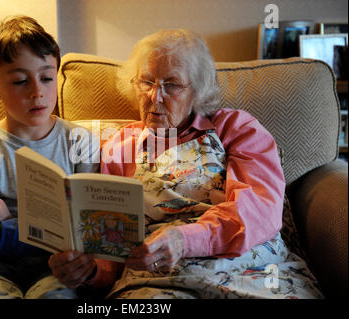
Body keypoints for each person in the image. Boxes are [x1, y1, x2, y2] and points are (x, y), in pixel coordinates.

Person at [100, 29, 324, 299]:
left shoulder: (236, 128)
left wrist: (185, 239)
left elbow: (259, 210)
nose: (154, 97)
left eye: (171, 85)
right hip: (160, 280)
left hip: (252, 269)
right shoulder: (121, 144)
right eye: (146, 82)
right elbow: (109, 246)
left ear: (198, 91)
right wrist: (89, 272)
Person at [0, 15, 108, 299]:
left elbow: (84, 231)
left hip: (53, 266)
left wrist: (9, 223)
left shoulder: (81, 142)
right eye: (19, 81)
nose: (37, 92)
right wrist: (45, 230)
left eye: (46, 78)